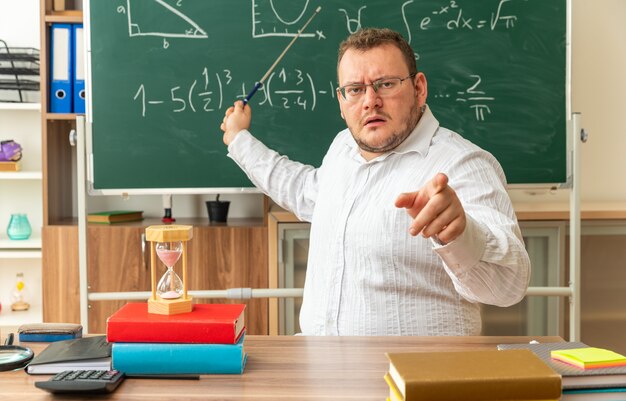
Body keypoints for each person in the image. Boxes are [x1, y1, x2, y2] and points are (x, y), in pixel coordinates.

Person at [220, 28, 530, 336]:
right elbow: (305, 191)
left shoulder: (462, 164)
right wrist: (238, 139)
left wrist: (461, 234)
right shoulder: (343, 149)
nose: (370, 101)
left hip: (414, 381)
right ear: (341, 101)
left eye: (386, 84)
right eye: (355, 89)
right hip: (322, 373)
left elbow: (509, 284)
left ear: (419, 88)